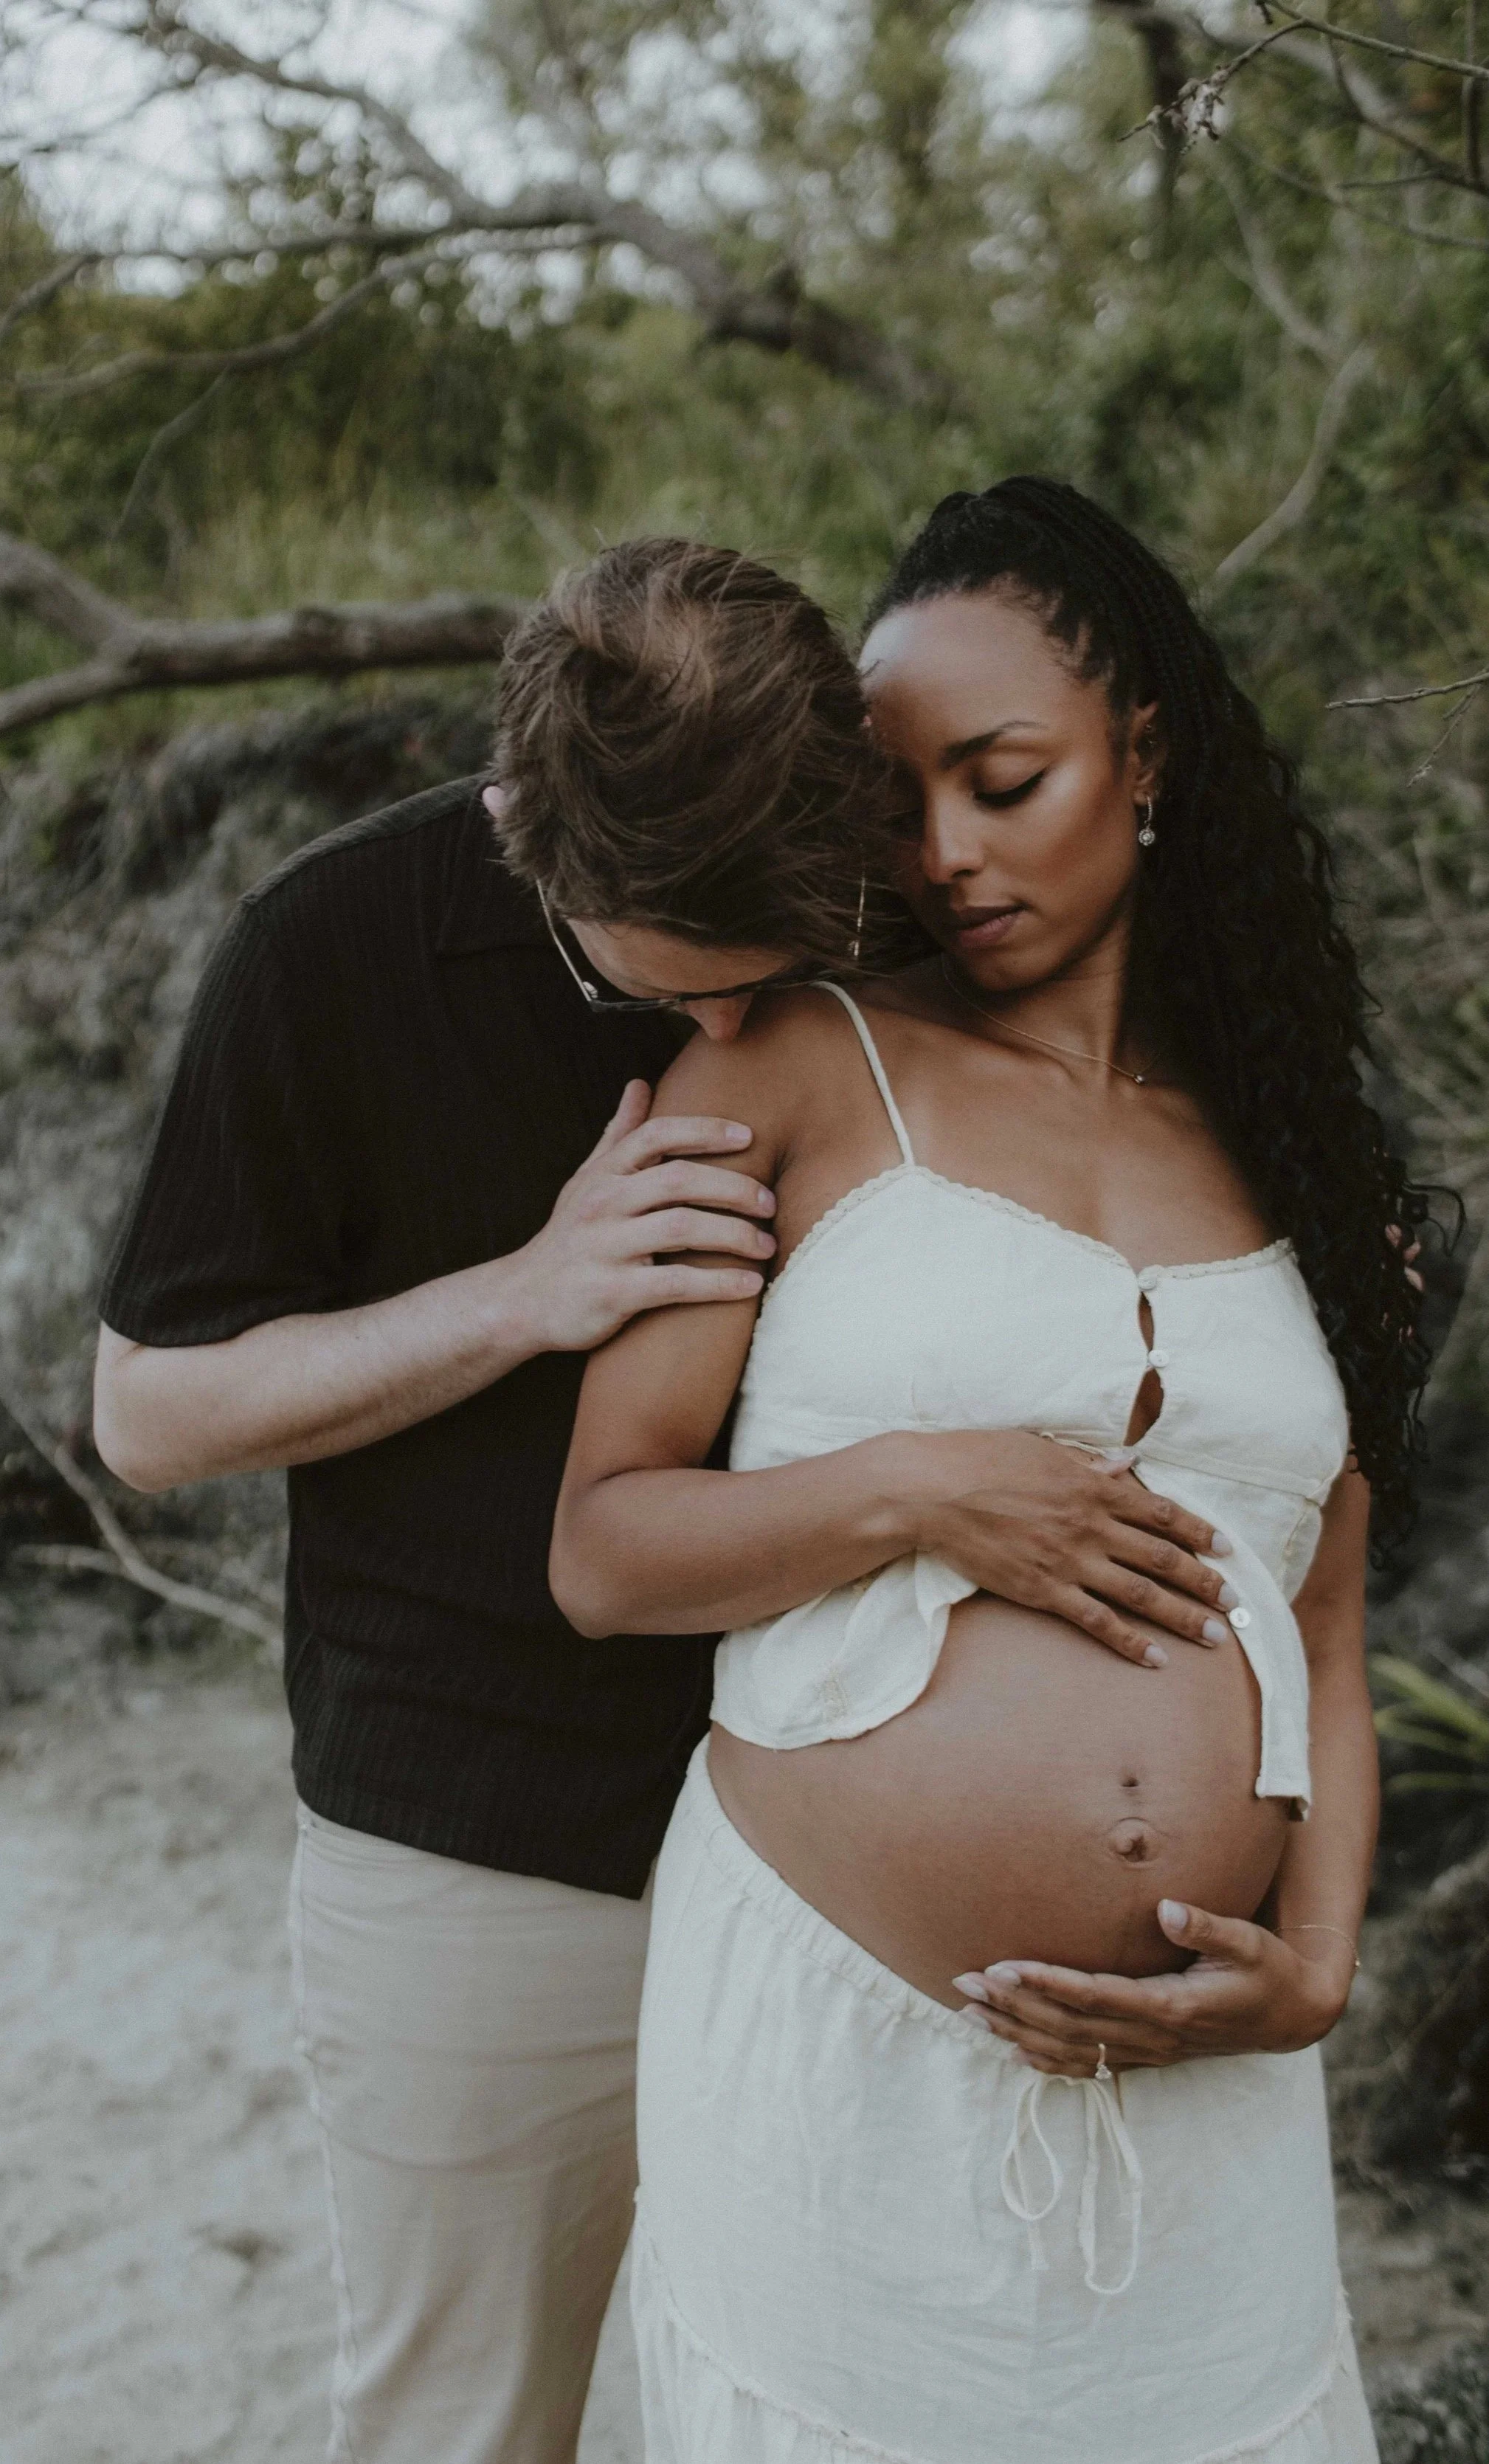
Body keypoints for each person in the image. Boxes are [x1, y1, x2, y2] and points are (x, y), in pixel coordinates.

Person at [93, 532, 1300, 2464]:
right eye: (688, 990)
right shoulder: (327, 948)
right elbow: (150, 1413)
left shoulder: (877, 903)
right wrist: (526, 1297)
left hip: (822, 1862)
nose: (745, 1040)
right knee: (468, 2423)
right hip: (489, 1843)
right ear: (537, 854)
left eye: (783, 977)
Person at [553, 480, 1434, 2464]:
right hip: (838, 2056)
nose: (945, 854)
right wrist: (927, 1492)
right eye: (898, 800)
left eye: (1004, 779)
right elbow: (606, 1548)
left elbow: (1327, 1621)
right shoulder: (792, 1066)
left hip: (1205, 2089)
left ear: (1147, 758)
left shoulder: (1309, 1165)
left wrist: (1316, 1969)